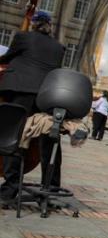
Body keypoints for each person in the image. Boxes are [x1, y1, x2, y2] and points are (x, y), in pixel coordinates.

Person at [0, 11, 65, 199]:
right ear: (49, 26)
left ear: (34, 24)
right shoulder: (59, 47)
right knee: (49, 138)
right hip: (48, 94)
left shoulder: (23, 37)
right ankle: (52, 186)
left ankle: (11, 187)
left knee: (15, 134)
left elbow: (7, 58)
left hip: (22, 92)